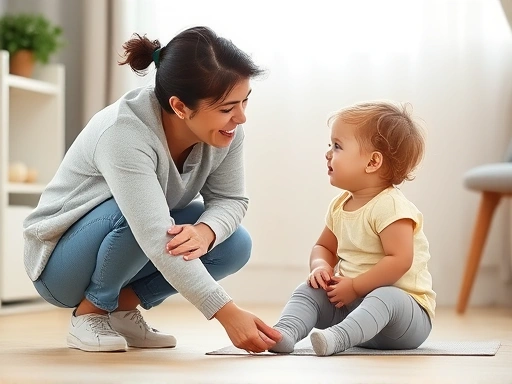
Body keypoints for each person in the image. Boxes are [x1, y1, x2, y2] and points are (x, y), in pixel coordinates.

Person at [23, 26, 281, 353]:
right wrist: (227, 313)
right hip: (61, 266)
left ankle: (120, 309)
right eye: (228, 108)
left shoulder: (226, 133)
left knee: (234, 242)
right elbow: (153, 231)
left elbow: (230, 200)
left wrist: (205, 231)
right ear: (180, 106)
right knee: (136, 212)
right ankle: (90, 312)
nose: (241, 117)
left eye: (245, 101)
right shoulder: (124, 133)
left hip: (128, 243)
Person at [269, 101, 436, 356]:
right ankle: (285, 332)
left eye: (337, 146)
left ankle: (338, 338)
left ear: (372, 162)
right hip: (354, 308)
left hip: (403, 318)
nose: (327, 153)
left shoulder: (391, 206)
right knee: (308, 290)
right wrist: (321, 267)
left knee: (385, 297)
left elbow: (400, 260)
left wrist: (356, 286)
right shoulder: (339, 206)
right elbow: (323, 247)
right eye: (330, 145)